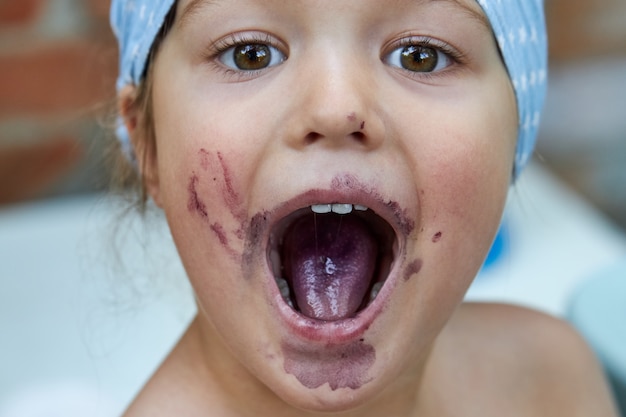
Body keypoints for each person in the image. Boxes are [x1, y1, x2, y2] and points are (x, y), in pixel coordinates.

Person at [110, 0, 619, 415]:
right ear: (148, 145)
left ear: (514, 140)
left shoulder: (553, 376)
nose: (337, 107)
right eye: (250, 54)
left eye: (421, 55)